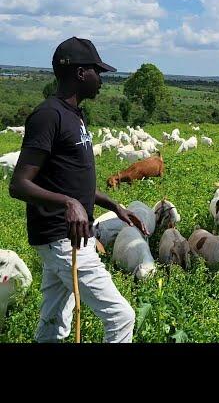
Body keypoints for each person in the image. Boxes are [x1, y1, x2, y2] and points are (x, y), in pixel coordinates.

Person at [9, 37, 149, 343]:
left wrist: (114, 206)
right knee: (122, 317)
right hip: (64, 237)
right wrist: (68, 203)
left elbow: (71, 181)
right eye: (98, 71)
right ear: (80, 73)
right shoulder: (49, 115)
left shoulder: (76, 116)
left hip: (69, 235)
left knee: (55, 321)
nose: (102, 79)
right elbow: (18, 184)